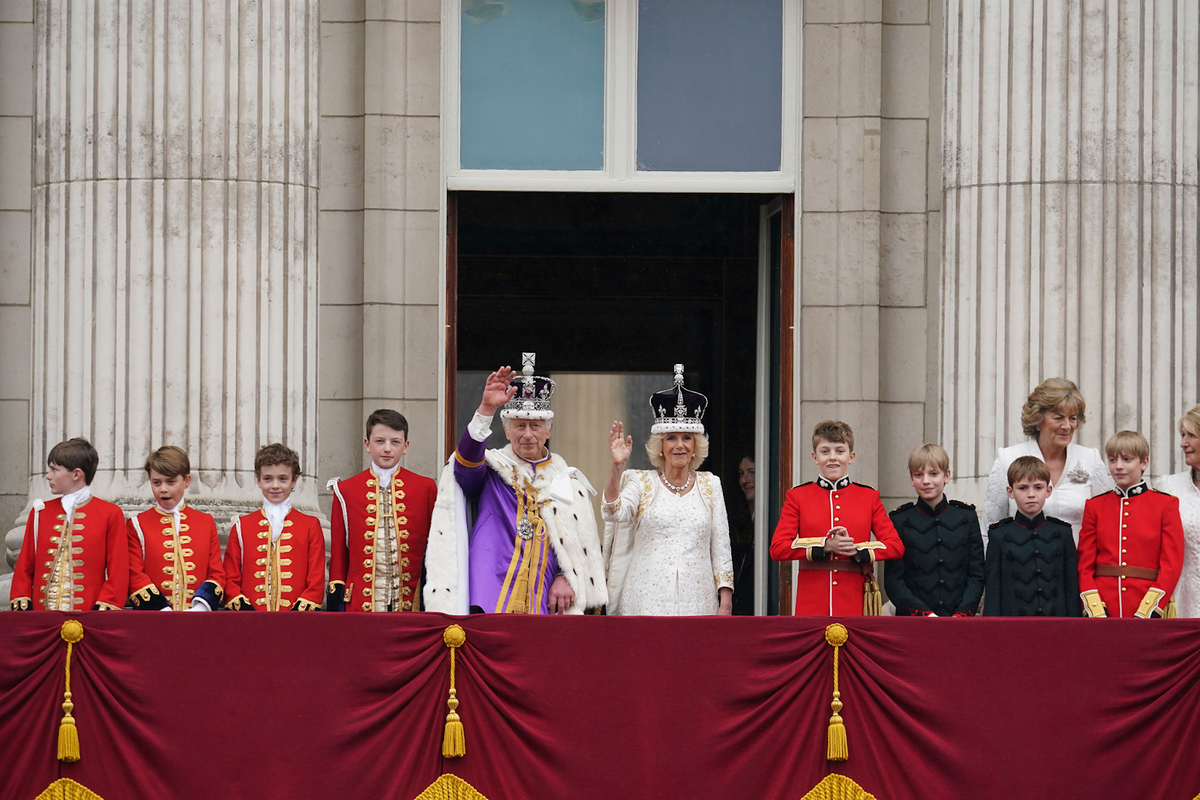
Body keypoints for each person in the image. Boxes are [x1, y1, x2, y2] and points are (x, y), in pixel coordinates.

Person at [423, 353, 607, 615]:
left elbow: (577, 544)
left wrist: (567, 576)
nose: (528, 434)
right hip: (489, 592)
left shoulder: (568, 482)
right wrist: (486, 409)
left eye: (535, 425)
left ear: (549, 430)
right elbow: (464, 466)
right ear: (507, 431)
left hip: (544, 598)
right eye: (519, 425)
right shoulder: (492, 470)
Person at [601, 365, 733, 615]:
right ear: (660, 446)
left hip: (699, 603)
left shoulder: (710, 484)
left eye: (687, 438)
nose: (679, 445)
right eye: (671, 438)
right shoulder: (641, 482)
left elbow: (721, 548)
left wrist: (725, 602)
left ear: (696, 445)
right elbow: (612, 512)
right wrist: (617, 467)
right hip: (645, 602)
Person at [769, 420, 903, 616]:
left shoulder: (868, 496)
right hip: (812, 605)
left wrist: (857, 550)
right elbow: (778, 548)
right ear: (815, 457)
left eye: (839, 451)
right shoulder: (797, 496)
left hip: (855, 603)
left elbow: (895, 545)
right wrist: (825, 546)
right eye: (825, 451)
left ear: (851, 456)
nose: (833, 458)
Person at [326, 410, 437, 612]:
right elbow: (339, 554)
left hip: (412, 602)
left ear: (406, 446)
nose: (387, 449)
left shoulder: (426, 488)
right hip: (360, 603)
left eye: (395, 442)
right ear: (367, 445)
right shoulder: (345, 490)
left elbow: (435, 548)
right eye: (379, 441)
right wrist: (336, 599)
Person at [984, 378, 1109, 545]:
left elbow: (1105, 524)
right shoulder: (1008, 459)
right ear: (1038, 418)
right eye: (1058, 418)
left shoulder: (1090, 459)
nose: (1067, 426)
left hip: (1077, 567)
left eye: (1072, 418)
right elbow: (989, 530)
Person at [10, 437, 128, 611]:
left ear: (76, 474)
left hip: (89, 616)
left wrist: (105, 607)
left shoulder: (110, 513)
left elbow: (118, 569)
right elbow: (24, 566)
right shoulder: (40, 512)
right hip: (42, 617)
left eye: (54, 469)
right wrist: (22, 600)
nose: (48, 476)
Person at [1077, 431, 1184, 619]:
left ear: (1144, 463)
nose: (1118, 466)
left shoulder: (1165, 504)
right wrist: (1094, 606)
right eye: (1112, 460)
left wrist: (1151, 607)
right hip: (1103, 606)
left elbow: (1171, 564)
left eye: (1127, 459)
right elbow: (1084, 564)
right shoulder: (1094, 505)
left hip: (1146, 602)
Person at [886, 444, 985, 616]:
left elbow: (976, 574)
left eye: (933, 474)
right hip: (914, 621)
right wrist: (925, 614)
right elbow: (893, 580)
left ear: (946, 476)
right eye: (918, 474)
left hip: (959, 620)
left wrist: (962, 613)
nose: (926, 481)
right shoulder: (899, 520)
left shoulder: (966, 517)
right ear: (911, 479)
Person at [223, 443, 324, 611]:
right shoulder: (242, 526)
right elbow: (230, 577)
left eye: (283, 479)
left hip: (296, 620)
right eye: (268, 479)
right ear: (258, 481)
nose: (275, 485)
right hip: (251, 620)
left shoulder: (310, 525)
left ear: (294, 481)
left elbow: (316, 578)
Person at [127, 446, 225, 610]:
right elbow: (134, 574)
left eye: (171, 482)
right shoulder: (137, 524)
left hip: (198, 619)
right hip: (153, 619)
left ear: (186, 481)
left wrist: (200, 607)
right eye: (156, 482)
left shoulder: (206, 522)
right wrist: (162, 610)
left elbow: (217, 574)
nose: (163, 489)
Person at [983, 456, 1079, 616]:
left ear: (1048, 491)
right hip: (1013, 626)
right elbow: (993, 590)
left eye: (1038, 487)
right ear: (1010, 492)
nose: (1031, 494)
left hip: (1056, 625)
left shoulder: (1062, 533)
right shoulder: (999, 535)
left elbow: (1071, 587)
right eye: (1023, 488)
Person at [1155, 405, 1200, 616]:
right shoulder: (1169, 486)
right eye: (1183, 435)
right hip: (1180, 605)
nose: (1183, 443)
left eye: (1192, 435)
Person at [726, 454, 756, 615]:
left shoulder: (771, 520)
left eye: (752, 472)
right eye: (741, 473)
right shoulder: (739, 521)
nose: (745, 480)